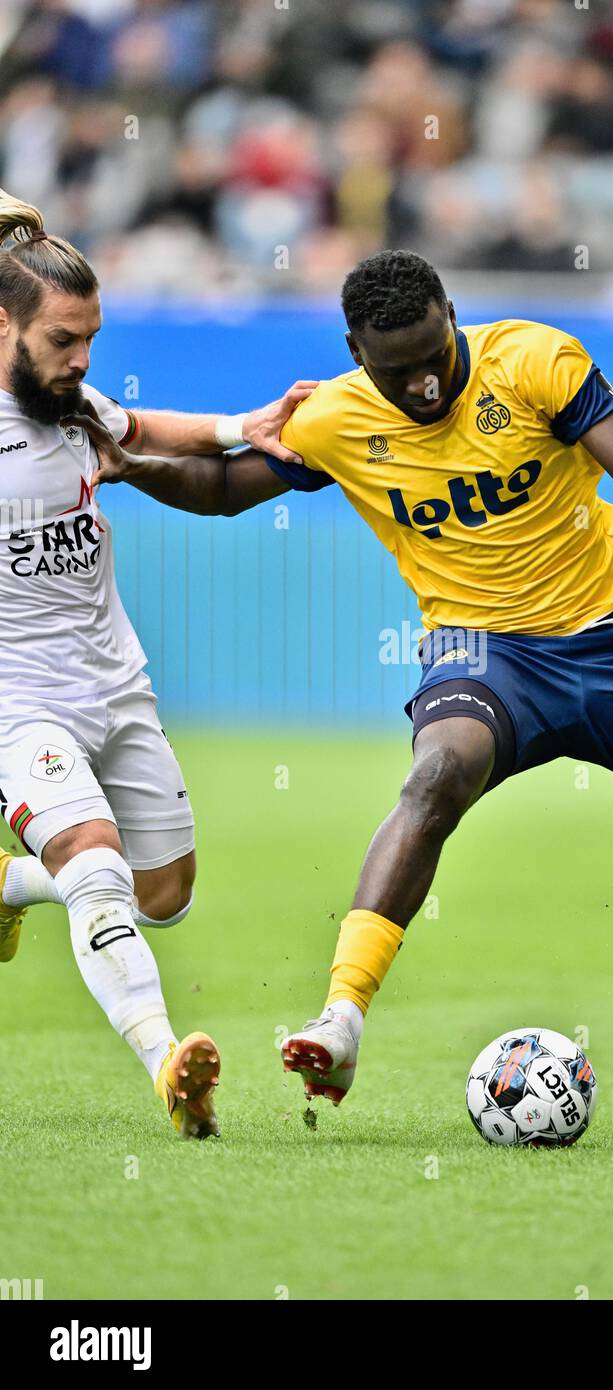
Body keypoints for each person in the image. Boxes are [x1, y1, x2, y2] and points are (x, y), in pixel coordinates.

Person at [77, 249, 613, 1110]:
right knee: (439, 770)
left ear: (451, 313)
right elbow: (222, 489)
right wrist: (126, 463)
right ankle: (342, 1020)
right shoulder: (336, 418)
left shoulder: (535, 362)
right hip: (483, 653)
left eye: (434, 358)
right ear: (356, 351)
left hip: (610, 640)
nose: (424, 390)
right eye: (396, 372)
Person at [0, 189, 315, 1137]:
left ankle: (11, 885)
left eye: (90, 335)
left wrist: (245, 426)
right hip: (20, 702)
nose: (82, 357)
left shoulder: (60, 398)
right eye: (63, 338)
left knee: (163, 892)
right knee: (92, 857)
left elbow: (135, 427)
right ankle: (164, 1060)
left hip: (115, 682)